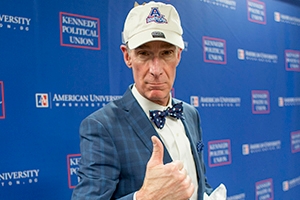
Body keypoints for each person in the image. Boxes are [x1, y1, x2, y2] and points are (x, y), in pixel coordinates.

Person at [72, 1, 223, 199]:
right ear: (127, 56)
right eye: (144, 54)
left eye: (166, 53)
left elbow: (199, 183)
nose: (156, 70)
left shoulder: (190, 113)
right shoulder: (102, 126)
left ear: (178, 55)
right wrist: (144, 197)